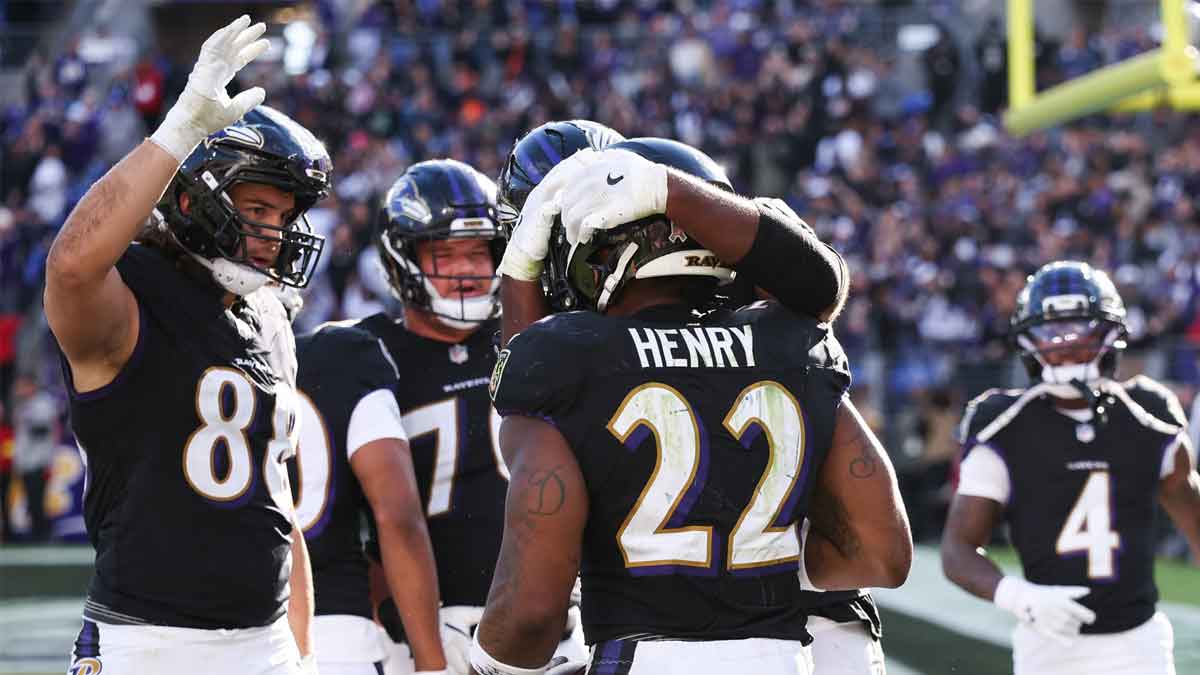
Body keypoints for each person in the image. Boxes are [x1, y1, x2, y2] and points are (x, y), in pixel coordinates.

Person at [476, 138, 912, 675]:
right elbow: (882, 552)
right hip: (792, 642)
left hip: (679, 641)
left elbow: (528, 609)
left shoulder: (566, 357)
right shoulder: (788, 336)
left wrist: (519, 272)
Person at [44, 16, 328, 674]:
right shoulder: (135, 295)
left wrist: (303, 650)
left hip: (267, 643)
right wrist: (179, 131)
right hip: (150, 640)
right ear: (196, 202)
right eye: (256, 209)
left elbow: (277, 507)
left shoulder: (270, 316)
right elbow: (70, 267)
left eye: (283, 217)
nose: (274, 233)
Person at [359, 159, 585, 675]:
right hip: (426, 630)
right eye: (443, 254)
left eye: (477, 254)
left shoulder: (532, 339)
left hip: (555, 621)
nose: (464, 271)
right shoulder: (371, 354)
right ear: (402, 258)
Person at [941, 261, 1200, 675]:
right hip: (1049, 644)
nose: (1064, 344)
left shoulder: (1149, 415)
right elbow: (957, 550)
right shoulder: (1004, 425)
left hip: (1140, 645)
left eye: (1080, 331)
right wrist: (1019, 596)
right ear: (1028, 339)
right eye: (1051, 333)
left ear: (1109, 335)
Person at [292, 319, 447, 675]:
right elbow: (397, 515)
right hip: (337, 637)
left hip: (205, 633)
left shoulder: (185, 357)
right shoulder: (342, 356)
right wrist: (431, 663)